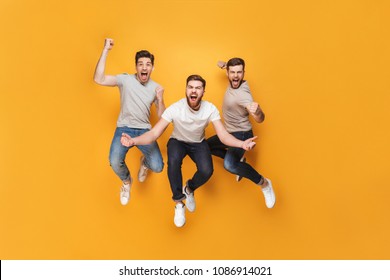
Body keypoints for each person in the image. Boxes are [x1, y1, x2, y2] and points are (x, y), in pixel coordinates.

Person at [120, 75, 257, 227]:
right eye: (190, 87)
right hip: (177, 141)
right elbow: (153, 134)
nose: (194, 91)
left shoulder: (210, 108)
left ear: (203, 91)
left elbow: (223, 136)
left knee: (207, 171)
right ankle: (179, 203)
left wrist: (241, 144)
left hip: (198, 143)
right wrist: (133, 141)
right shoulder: (175, 109)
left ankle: (189, 188)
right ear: (186, 90)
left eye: (198, 88)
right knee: (173, 161)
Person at [93, 38, 165, 206]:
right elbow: (99, 79)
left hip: (145, 131)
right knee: (114, 161)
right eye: (141, 64)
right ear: (136, 67)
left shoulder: (156, 88)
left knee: (158, 166)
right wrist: (105, 50)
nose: (144, 67)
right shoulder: (125, 80)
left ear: (152, 68)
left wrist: (160, 100)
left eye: (148, 64)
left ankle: (144, 162)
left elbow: (162, 117)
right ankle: (126, 182)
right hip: (124, 128)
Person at [207, 58, 276, 208]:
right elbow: (231, 71)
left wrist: (257, 112)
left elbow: (260, 119)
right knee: (205, 146)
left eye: (239, 72)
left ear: (244, 73)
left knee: (229, 165)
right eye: (232, 72)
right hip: (228, 132)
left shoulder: (243, 95)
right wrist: (223, 64)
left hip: (241, 133)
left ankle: (264, 183)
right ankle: (240, 164)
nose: (236, 76)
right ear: (228, 72)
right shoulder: (235, 80)